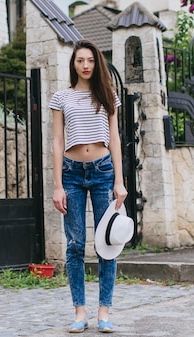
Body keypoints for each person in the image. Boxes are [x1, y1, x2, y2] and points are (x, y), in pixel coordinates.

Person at [49, 39, 128, 333]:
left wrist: (119, 181)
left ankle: (104, 313)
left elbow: (115, 139)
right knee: (75, 245)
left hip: (103, 170)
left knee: (108, 244)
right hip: (70, 173)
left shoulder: (107, 96)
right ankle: (80, 312)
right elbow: (57, 141)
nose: (85, 65)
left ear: (97, 64)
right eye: (80, 60)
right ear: (73, 64)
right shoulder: (61, 98)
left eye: (90, 60)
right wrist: (57, 185)